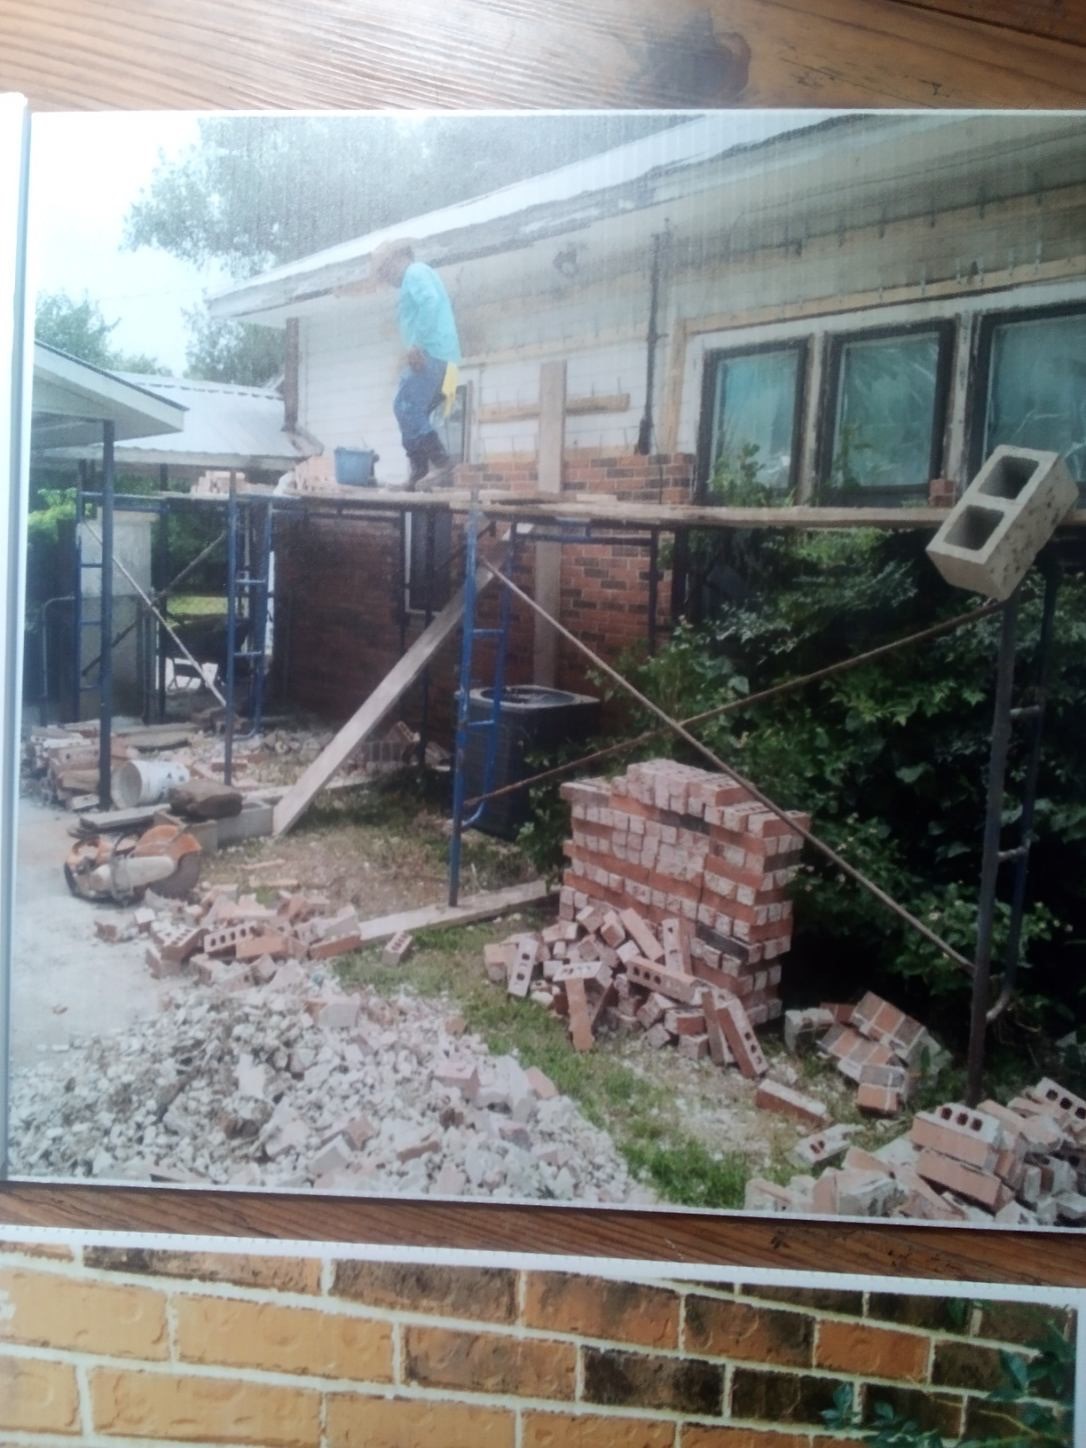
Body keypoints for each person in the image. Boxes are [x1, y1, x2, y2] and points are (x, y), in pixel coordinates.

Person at [371, 238, 461, 489]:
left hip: (434, 356)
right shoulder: (418, 276)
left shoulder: (415, 272)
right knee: (407, 409)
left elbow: (430, 302)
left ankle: (440, 464)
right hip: (447, 364)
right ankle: (420, 471)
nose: (387, 278)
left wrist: (417, 345)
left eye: (386, 270)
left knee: (406, 405)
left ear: (399, 258)